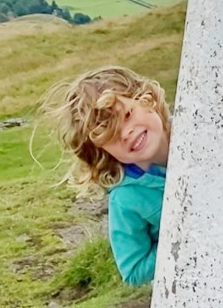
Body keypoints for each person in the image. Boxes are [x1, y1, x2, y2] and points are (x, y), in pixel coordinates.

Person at [48, 66, 171, 287]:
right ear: (102, 152)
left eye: (127, 115)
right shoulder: (125, 199)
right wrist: (180, 240)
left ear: (146, 98)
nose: (126, 133)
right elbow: (132, 270)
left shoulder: (200, 127)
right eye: (110, 136)